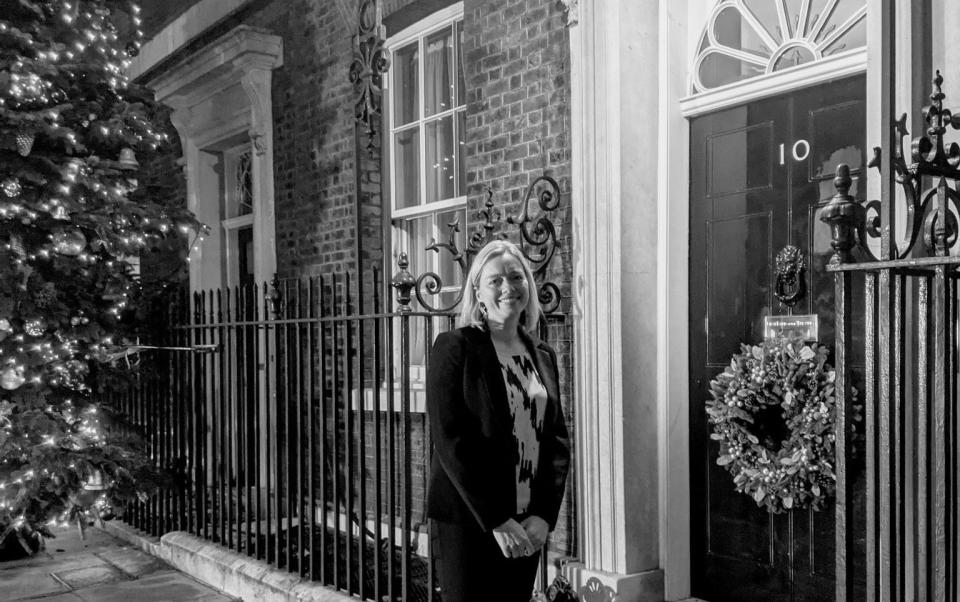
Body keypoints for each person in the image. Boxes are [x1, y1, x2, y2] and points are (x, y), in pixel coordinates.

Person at [426, 239, 570, 602]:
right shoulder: (455, 347)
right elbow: (450, 439)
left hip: (527, 524)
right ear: (478, 290)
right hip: (470, 521)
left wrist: (543, 515)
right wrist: (494, 519)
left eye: (516, 277)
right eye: (496, 280)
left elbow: (556, 441)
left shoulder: (543, 354)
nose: (509, 287)